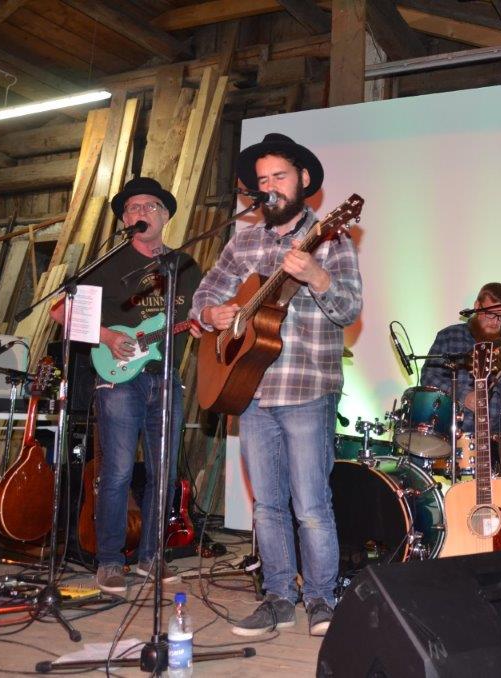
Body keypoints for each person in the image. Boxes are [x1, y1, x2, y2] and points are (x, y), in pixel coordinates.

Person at [189, 133, 362, 638]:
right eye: (262, 180)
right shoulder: (243, 241)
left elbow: (349, 309)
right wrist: (212, 314)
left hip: (306, 387)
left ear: (304, 180)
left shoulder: (331, 238)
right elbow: (205, 296)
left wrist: (317, 276)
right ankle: (278, 598)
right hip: (249, 391)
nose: (270, 187)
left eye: (279, 176)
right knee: (266, 507)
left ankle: (322, 600)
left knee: (310, 506)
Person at [51, 177, 202, 594]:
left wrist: (203, 325)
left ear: (165, 216)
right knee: (116, 472)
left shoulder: (185, 266)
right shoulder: (108, 263)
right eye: (133, 208)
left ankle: (151, 558)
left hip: (165, 377)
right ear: (124, 220)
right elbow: (60, 312)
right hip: (118, 379)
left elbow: (201, 314)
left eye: (151, 206)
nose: (142, 212)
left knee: (163, 474)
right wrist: (107, 336)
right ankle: (111, 561)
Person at [420, 282, 501, 495]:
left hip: (497, 425)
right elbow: (429, 377)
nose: (496, 322)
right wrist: (463, 397)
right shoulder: (449, 336)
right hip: (452, 422)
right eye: (491, 314)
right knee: (417, 455)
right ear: (477, 306)